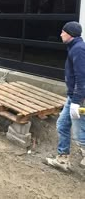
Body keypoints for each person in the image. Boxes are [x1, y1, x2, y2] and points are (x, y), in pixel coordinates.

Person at [46, 21, 85, 171]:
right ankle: (62, 160)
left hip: (80, 98)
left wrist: (76, 101)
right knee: (62, 125)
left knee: (80, 134)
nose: (60, 34)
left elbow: (82, 77)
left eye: (63, 32)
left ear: (69, 34)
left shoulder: (79, 50)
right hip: (74, 96)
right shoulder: (75, 47)